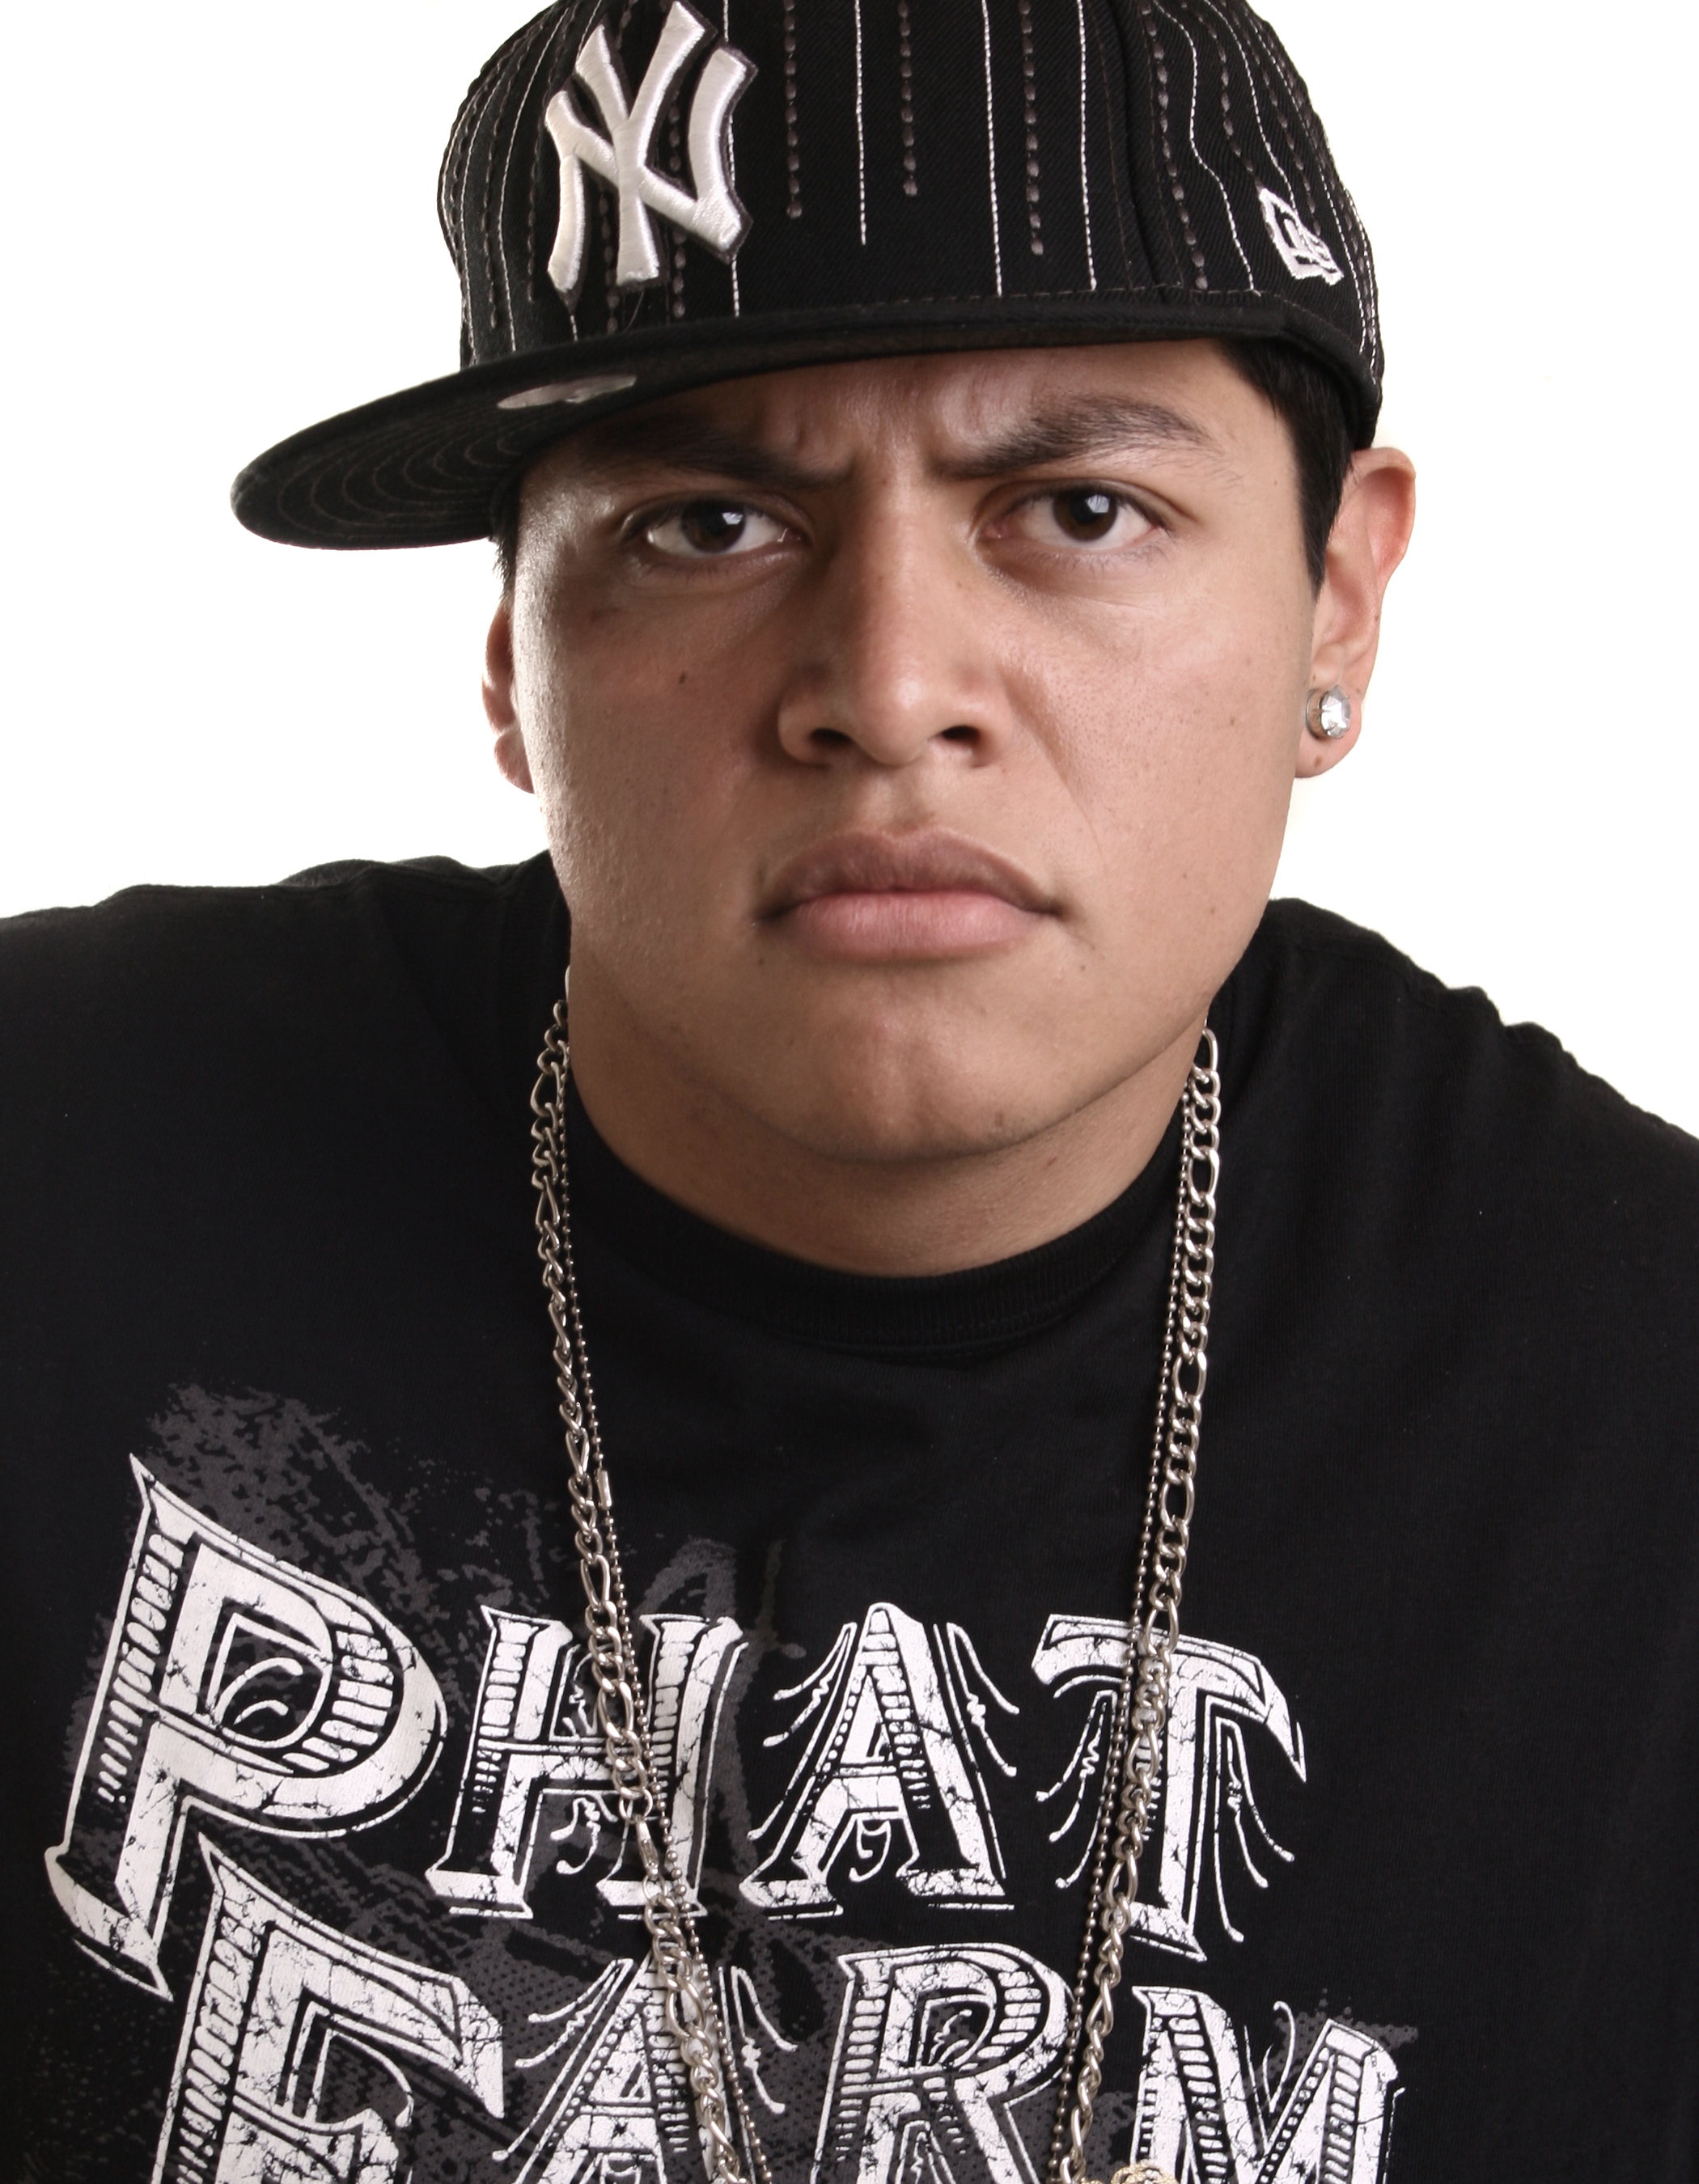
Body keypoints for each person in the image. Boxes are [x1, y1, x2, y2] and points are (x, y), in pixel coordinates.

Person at [2, 3, 1693, 2180]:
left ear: (1336, 596)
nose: (889, 691)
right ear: (513, 652)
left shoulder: (1634, 1403)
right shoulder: (54, 1168)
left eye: (1078, 507)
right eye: (707, 521)